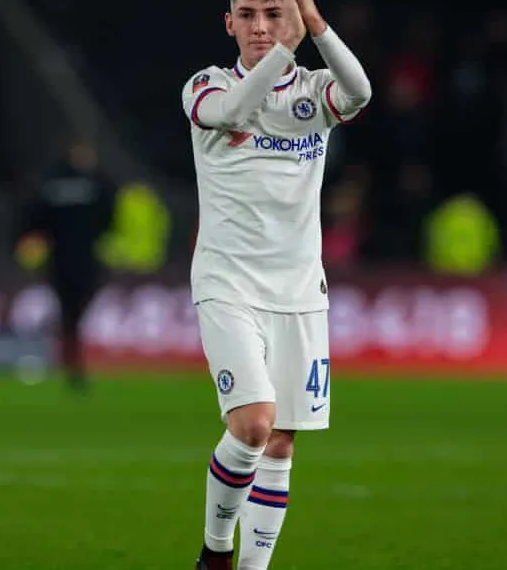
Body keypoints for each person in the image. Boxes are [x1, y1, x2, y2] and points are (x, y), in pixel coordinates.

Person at [180, 0, 371, 568]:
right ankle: (216, 551)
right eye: (247, 14)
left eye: (273, 13)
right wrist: (290, 42)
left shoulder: (315, 90)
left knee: (282, 439)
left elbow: (358, 92)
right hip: (227, 282)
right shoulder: (204, 87)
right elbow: (238, 107)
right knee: (253, 423)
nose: (260, 26)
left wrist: (317, 27)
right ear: (229, 23)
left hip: (299, 291)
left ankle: (253, 568)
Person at [18, 139, 116, 392]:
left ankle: (70, 359)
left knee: (68, 314)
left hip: (58, 258)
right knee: (77, 311)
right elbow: (108, 215)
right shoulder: (96, 183)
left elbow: (34, 217)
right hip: (86, 258)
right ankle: (74, 363)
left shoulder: (50, 183)